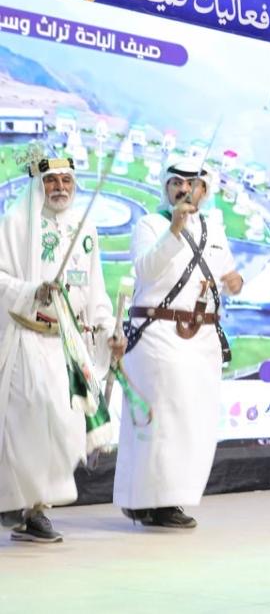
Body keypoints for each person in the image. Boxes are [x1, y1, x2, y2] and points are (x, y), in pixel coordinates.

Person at [114, 159, 242, 529]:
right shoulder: (150, 224)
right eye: (176, 183)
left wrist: (235, 282)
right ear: (167, 188)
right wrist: (174, 229)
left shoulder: (214, 229)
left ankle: (169, 499)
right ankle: (152, 502)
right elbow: (146, 270)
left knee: (194, 421)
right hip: (158, 334)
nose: (184, 190)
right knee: (161, 421)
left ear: (204, 190)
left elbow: (227, 274)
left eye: (192, 184)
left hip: (203, 339)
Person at [0, 152, 115, 543]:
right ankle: (30, 509)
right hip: (27, 337)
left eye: (66, 180)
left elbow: (94, 288)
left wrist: (107, 327)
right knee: (29, 422)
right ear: (39, 184)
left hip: (67, 345)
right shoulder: (16, 224)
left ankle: (29, 503)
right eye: (51, 180)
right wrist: (33, 291)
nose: (59, 187)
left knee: (66, 427)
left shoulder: (85, 228)